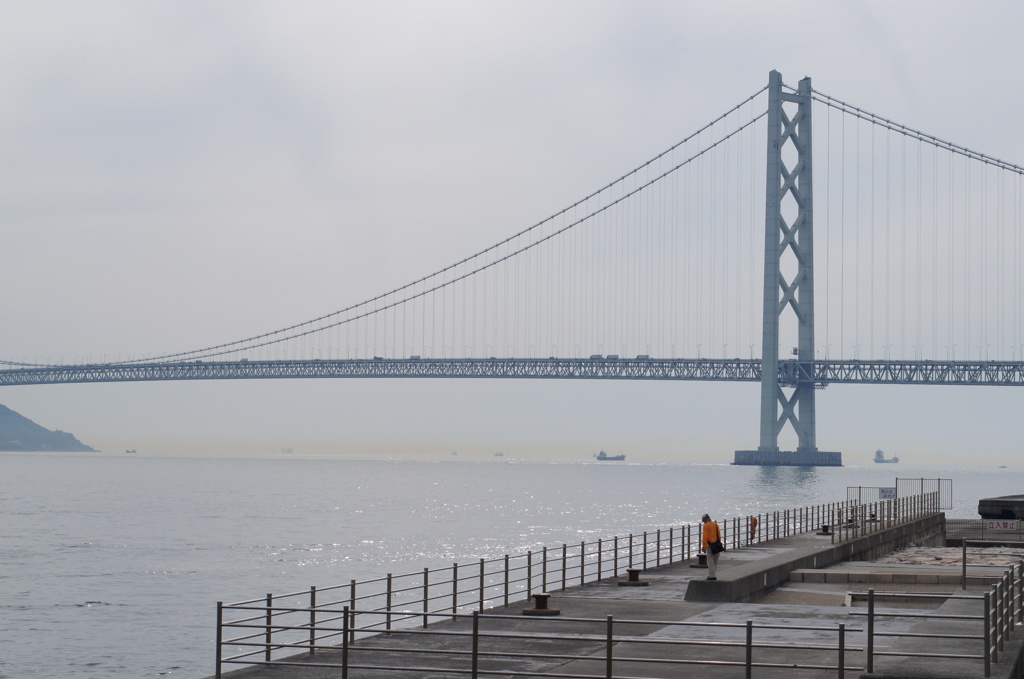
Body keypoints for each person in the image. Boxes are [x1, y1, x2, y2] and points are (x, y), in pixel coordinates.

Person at [701, 513, 721, 580]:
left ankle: (712, 576)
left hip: (710, 545)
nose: (703, 521)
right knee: (715, 560)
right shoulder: (716, 525)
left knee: (710, 561)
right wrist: (719, 543)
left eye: (703, 520)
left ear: (705, 518)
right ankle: (713, 574)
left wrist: (704, 546)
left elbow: (705, 537)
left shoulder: (706, 526)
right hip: (717, 544)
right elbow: (719, 535)